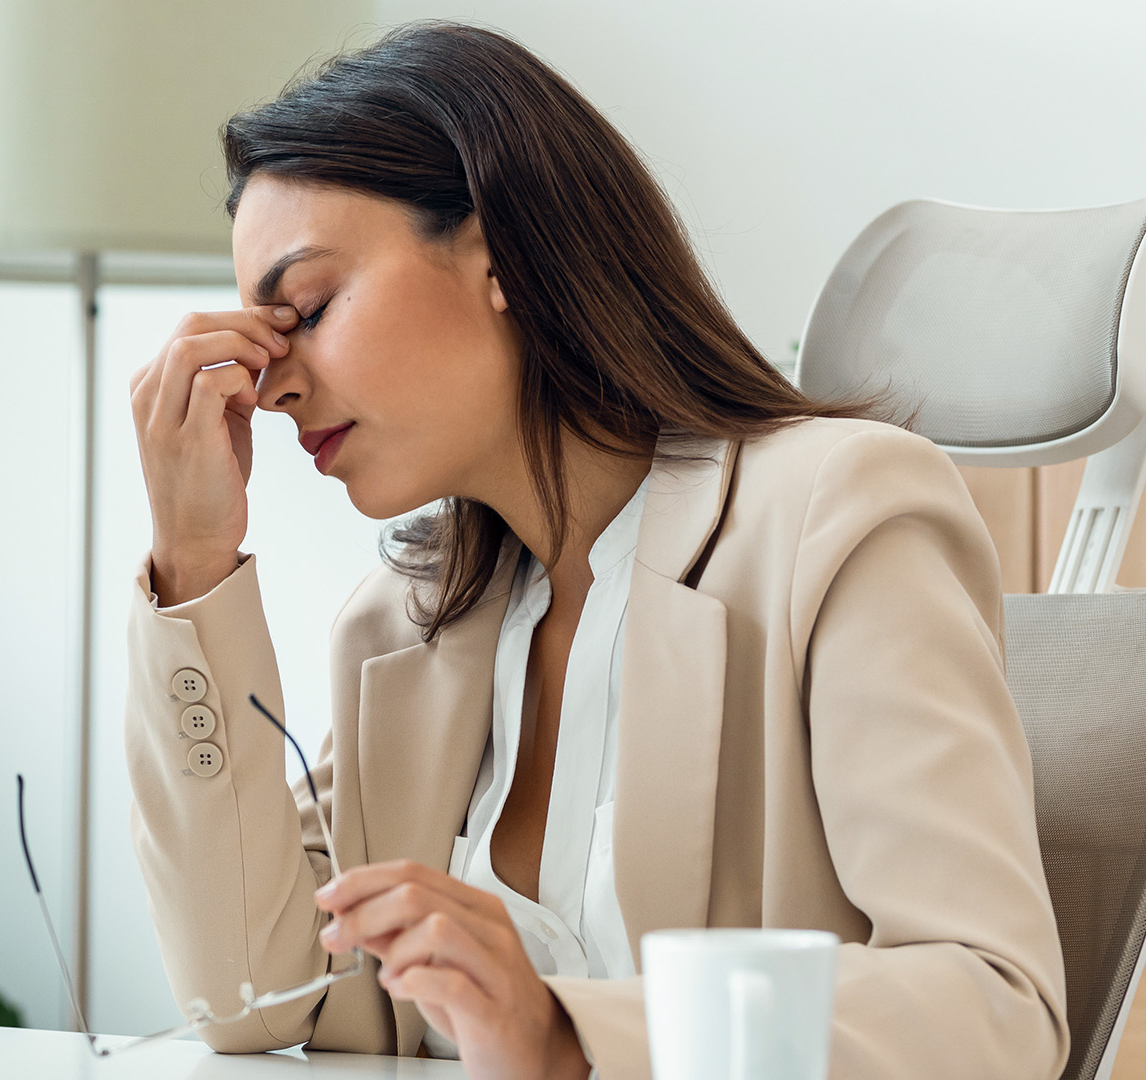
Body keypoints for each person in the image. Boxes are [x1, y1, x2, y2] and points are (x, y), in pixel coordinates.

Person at [123, 21, 1066, 1080]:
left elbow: (994, 1004)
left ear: (499, 258)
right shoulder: (403, 623)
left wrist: (567, 1033)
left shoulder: (834, 519)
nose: (273, 380)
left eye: (306, 307)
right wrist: (192, 556)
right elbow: (252, 998)